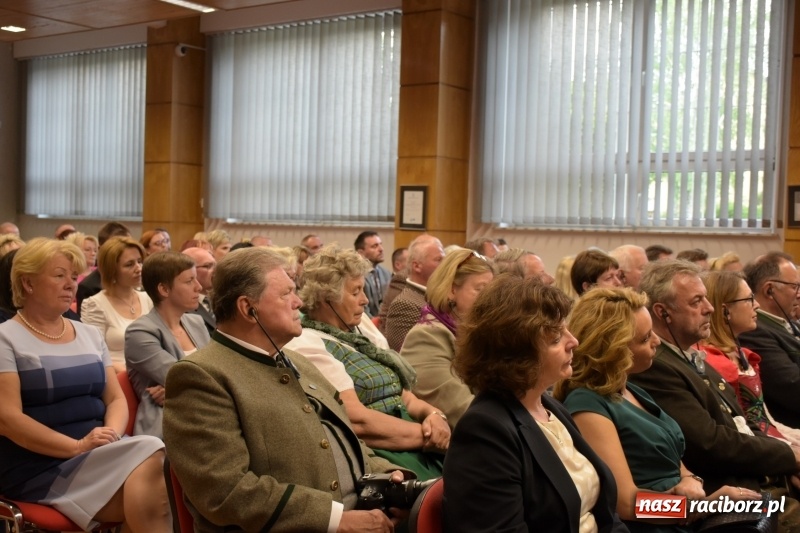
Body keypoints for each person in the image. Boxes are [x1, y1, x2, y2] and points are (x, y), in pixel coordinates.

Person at [162, 246, 410, 532]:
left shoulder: (300, 363)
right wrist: (334, 520)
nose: (299, 303)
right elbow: (225, 491)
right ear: (248, 308)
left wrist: (391, 478)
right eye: (286, 294)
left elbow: (347, 443)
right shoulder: (201, 376)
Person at [0, 238, 169, 533]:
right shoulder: (5, 338)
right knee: (154, 475)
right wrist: (76, 447)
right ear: (27, 283)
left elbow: (115, 399)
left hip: (97, 452)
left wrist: (111, 435)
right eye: (59, 275)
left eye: (73, 276)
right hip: (39, 465)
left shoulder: (89, 334)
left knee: (153, 476)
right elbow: (8, 420)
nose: (71, 284)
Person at [557, 288, 760, 532]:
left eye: (652, 332)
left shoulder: (632, 390)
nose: (656, 342)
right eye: (644, 339)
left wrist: (690, 481)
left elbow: (676, 461)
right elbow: (627, 504)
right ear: (613, 350)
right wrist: (709, 506)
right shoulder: (587, 405)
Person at [443, 274, 627, 532]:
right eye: (555, 338)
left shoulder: (551, 408)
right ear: (517, 354)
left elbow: (608, 515)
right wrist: (681, 511)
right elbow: (630, 503)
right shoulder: (485, 430)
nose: (573, 341)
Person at [627, 260, 800, 510]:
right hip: (728, 495)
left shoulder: (687, 354)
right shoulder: (656, 367)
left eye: (706, 299)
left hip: (754, 481)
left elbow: (742, 423)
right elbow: (711, 444)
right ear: (663, 312)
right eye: (696, 302)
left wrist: (788, 455)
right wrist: (789, 459)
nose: (709, 308)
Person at [286, 244, 449, 480]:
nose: (364, 300)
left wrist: (435, 416)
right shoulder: (308, 344)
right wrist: (429, 435)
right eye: (355, 292)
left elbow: (404, 395)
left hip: (410, 436)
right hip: (380, 454)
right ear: (326, 298)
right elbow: (357, 420)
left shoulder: (357, 330)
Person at [701, 270, 800, 445]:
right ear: (725, 310)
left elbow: (765, 420)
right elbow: (740, 429)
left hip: (768, 441)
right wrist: (789, 448)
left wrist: (793, 439)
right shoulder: (711, 361)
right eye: (748, 300)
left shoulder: (743, 354)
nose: (757, 306)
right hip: (752, 448)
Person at [400, 248, 495, 427]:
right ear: (452, 290)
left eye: (492, 293)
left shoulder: (478, 333)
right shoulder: (426, 336)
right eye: (480, 290)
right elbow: (462, 411)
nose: (489, 301)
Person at [124, 252, 210, 438]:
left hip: (207, 417)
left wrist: (174, 391)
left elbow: (220, 372)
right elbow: (184, 377)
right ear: (164, 289)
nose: (199, 287)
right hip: (169, 427)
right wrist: (178, 386)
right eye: (189, 281)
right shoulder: (139, 332)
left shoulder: (196, 323)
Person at [738, 252, 800, 429]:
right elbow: (793, 388)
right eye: (795, 287)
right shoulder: (754, 332)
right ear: (769, 290)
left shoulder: (785, 324)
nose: (799, 294)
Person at [81, 237, 153, 373]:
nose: (139, 269)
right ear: (112, 270)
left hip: (150, 372)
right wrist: (132, 373)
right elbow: (94, 354)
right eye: (129, 264)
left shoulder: (148, 298)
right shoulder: (95, 305)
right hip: (119, 377)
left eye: (139, 262)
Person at [383, 236, 445, 351]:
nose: (445, 264)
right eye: (438, 259)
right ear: (417, 266)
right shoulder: (404, 304)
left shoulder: (436, 296)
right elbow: (409, 357)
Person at [76, 221, 132, 316]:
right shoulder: (88, 287)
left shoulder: (136, 278)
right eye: (117, 248)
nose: (125, 253)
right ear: (101, 249)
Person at [355, 230, 391, 318]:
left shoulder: (386, 273)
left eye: (380, 244)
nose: (381, 249)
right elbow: (362, 309)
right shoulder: (356, 275)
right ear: (361, 253)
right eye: (374, 246)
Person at [182, 247, 217, 334]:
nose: (215, 271)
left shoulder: (223, 297)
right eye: (208, 266)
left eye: (215, 265)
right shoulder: (182, 305)